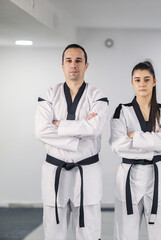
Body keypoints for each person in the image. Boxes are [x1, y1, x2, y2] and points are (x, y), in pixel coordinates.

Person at [35, 44, 109, 239]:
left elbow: (94, 129)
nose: (73, 65)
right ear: (62, 65)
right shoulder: (49, 94)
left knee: (89, 231)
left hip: (87, 172)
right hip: (55, 171)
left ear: (86, 65)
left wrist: (59, 125)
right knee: (53, 231)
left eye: (78, 60)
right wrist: (79, 131)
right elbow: (42, 130)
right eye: (69, 60)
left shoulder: (97, 95)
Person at [109, 61, 161, 240]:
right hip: (128, 177)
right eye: (137, 80)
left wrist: (133, 136)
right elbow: (117, 145)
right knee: (125, 233)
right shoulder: (122, 111)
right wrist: (154, 139)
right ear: (132, 83)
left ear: (154, 81)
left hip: (157, 175)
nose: (142, 84)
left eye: (147, 79)